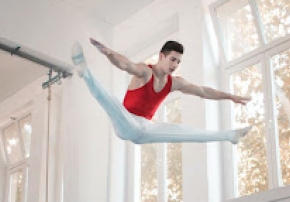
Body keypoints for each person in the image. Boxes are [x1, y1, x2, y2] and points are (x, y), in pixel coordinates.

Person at [71, 38, 252, 144]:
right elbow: (125, 64)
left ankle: (230, 135)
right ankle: (85, 71)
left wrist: (230, 96)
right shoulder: (144, 71)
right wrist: (108, 52)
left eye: (178, 62)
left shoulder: (174, 83)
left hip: (146, 129)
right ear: (162, 56)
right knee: (109, 101)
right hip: (126, 123)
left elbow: (203, 91)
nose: (175, 65)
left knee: (184, 131)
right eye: (173, 59)